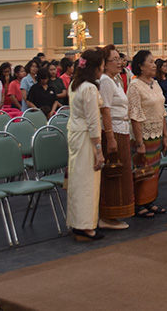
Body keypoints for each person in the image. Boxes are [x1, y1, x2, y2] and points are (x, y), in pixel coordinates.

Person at [66, 48, 107, 241]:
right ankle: (85, 225)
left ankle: (77, 221)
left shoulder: (75, 84)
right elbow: (93, 121)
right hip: (85, 136)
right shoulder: (89, 88)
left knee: (77, 180)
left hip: (74, 133)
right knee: (88, 182)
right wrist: (99, 149)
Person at [128, 50, 167, 217]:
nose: (154, 65)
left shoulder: (155, 83)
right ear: (140, 66)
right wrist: (139, 143)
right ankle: (139, 204)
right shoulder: (135, 86)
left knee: (153, 171)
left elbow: (162, 111)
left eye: (154, 62)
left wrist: (165, 135)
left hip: (157, 132)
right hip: (143, 135)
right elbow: (134, 116)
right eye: (150, 62)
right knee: (142, 170)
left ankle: (150, 200)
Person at [98, 45, 133, 228]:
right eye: (115, 59)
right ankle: (108, 215)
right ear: (104, 64)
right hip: (114, 130)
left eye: (120, 58)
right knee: (115, 172)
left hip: (122, 127)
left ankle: (117, 213)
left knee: (123, 171)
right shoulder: (105, 81)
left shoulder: (115, 79)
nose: (119, 62)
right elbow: (105, 111)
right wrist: (110, 138)